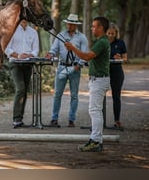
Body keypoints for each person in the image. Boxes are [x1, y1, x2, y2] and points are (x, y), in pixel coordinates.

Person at [65, 16, 110, 152]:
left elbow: (86, 57)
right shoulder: (102, 41)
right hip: (98, 79)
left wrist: (73, 48)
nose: (92, 28)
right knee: (96, 110)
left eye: (94, 26)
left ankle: (96, 141)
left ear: (101, 28)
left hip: (99, 80)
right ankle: (96, 140)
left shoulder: (101, 42)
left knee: (95, 111)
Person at [46, 14, 88, 128]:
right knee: (57, 94)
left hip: (75, 67)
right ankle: (54, 119)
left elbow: (84, 54)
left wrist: (78, 66)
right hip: (62, 67)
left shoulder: (82, 37)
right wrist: (50, 54)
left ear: (75, 25)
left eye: (72, 24)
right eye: (68, 23)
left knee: (74, 95)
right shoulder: (60, 35)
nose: (69, 25)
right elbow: (54, 50)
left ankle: (71, 119)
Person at [5, 19, 39, 128]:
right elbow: (6, 48)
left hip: (28, 64)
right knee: (20, 89)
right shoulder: (12, 30)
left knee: (24, 91)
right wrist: (18, 55)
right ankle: (16, 118)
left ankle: (20, 119)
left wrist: (29, 55)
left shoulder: (33, 32)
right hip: (15, 63)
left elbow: (36, 50)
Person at [107, 23, 127, 130]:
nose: (110, 35)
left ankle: (117, 120)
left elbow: (125, 58)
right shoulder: (103, 42)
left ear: (116, 33)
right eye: (109, 33)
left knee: (116, 96)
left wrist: (119, 57)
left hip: (117, 71)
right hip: (104, 71)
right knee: (100, 96)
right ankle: (99, 121)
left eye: (112, 34)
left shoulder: (120, 43)